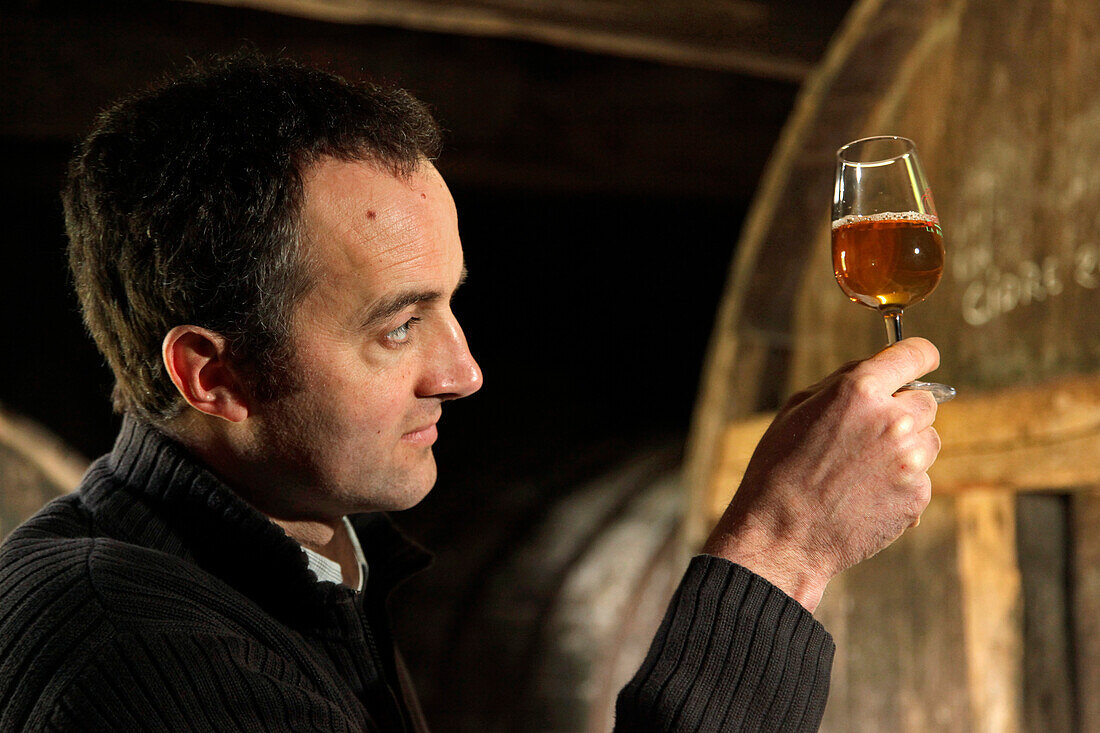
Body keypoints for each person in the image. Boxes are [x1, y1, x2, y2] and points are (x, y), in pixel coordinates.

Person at [0, 52, 941, 731]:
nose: (464, 372)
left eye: (450, 304)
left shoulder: (304, 562)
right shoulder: (141, 650)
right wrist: (785, 547)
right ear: (213, 375)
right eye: (399, 324)